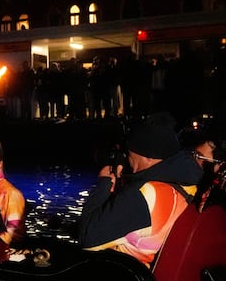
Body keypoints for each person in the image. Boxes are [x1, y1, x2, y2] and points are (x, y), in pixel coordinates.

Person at [78, 112, 203, 268]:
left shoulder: (145, 195)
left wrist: (103, 184)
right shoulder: (186, 184)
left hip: (126, 275)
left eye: (130, 155)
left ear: (148, 157)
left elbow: (87, 238)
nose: (129, 161)